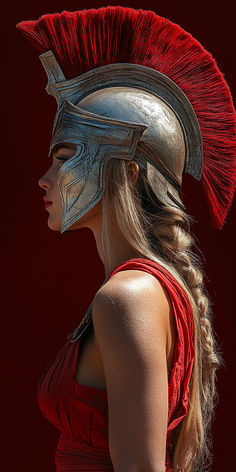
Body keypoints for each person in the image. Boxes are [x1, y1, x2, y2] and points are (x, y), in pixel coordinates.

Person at [16, 6, 236, 472]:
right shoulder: (147, 289)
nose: (44, 178)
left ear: (127, 172)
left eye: (64, 156)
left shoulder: (128, 297)